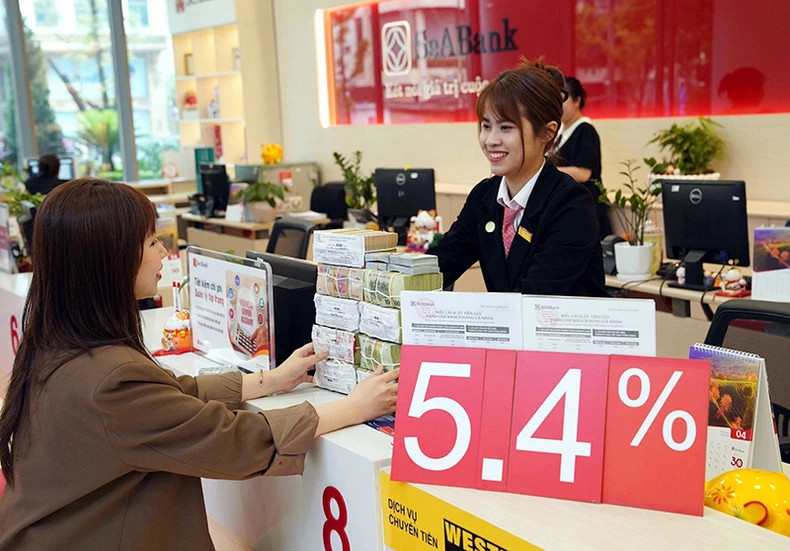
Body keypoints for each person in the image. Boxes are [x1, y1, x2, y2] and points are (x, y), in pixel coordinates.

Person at [0, 179, 399, 550]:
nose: (163, 253)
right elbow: (230, 440)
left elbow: (167, 397)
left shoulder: (58, 343)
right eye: (151, 241)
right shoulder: (110, 379)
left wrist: (268, 380)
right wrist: (354, 408)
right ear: (108, 259)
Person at [428, 59, 606, 297]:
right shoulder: (485, 197)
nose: (491, 140)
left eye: (506, 127)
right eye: (486, 125)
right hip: (510, 331)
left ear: (547, 132)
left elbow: (535, 298)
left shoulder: (572, 204)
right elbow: (443, 262)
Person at [555, 76, 611, 240]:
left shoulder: (585, 130)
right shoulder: (560, 132)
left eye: (563, 100)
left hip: (586, 208)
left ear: (577, 100)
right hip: (568, 207)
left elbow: (583, 173)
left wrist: (547, 171)